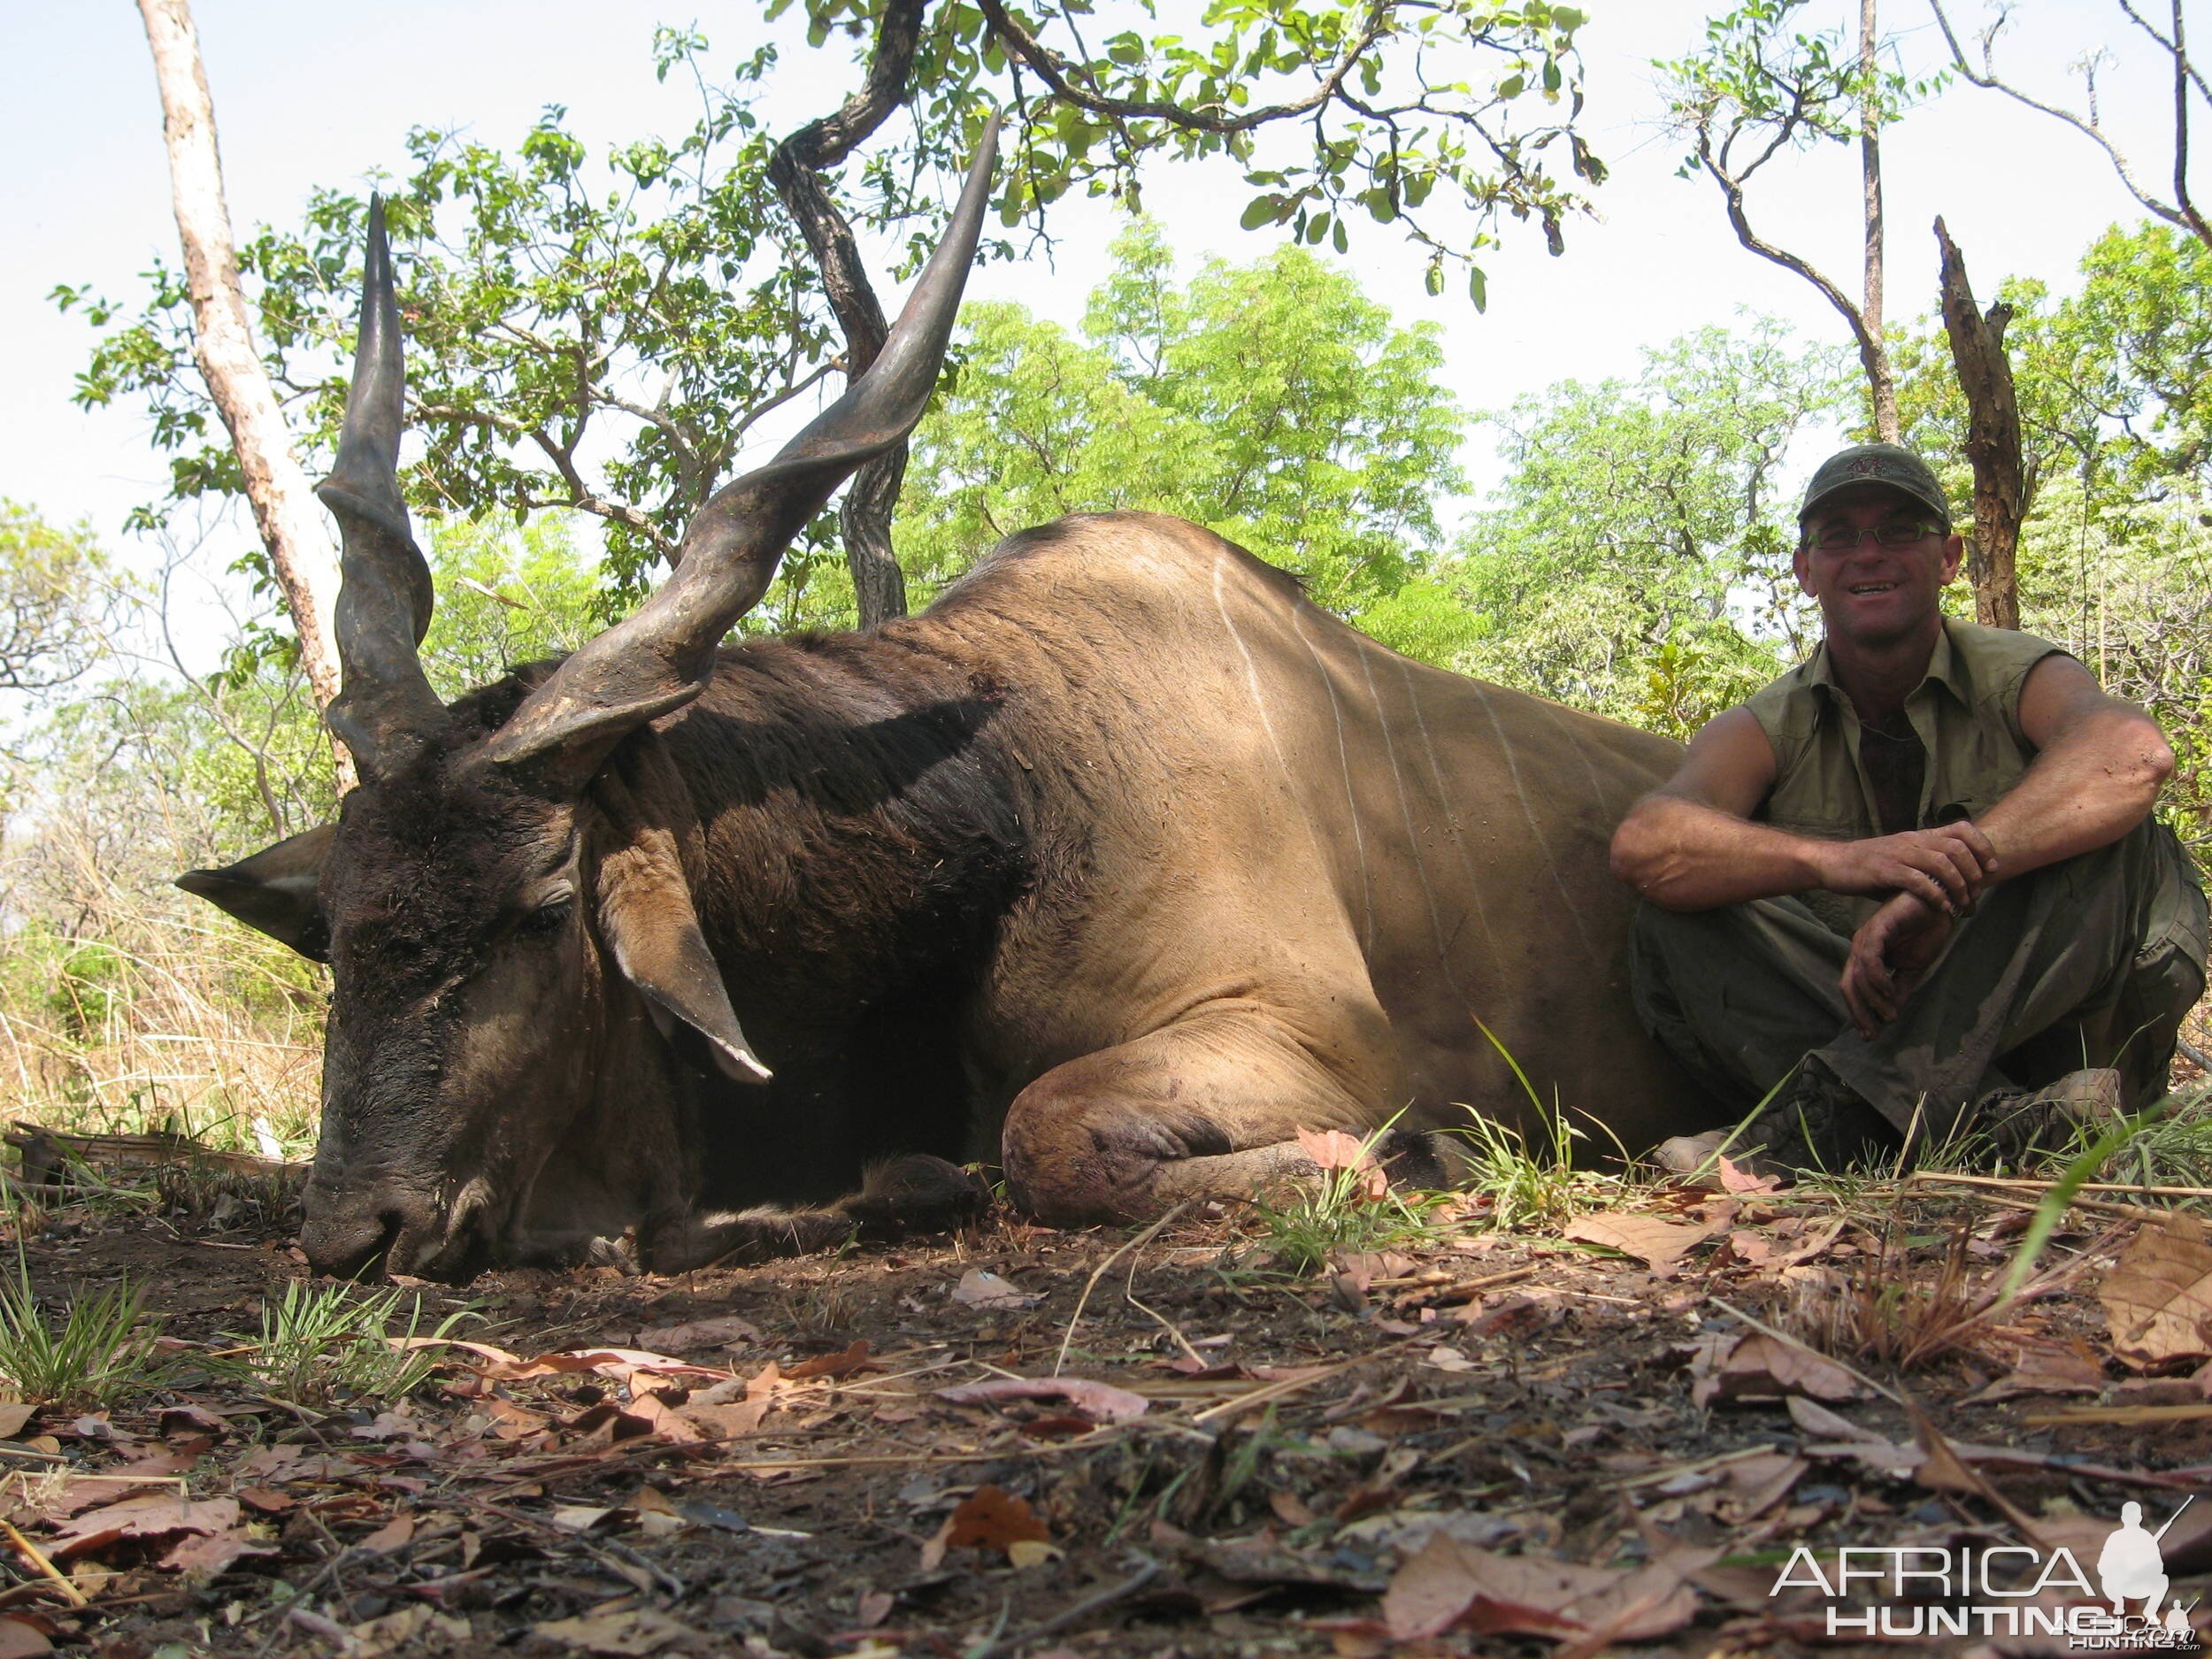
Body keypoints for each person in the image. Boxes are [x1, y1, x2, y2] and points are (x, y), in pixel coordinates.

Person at [1610, 442, 2207, 1171]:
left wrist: (1956, 877)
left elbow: (2134, 754)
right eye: (1838, 536)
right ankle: (1989, 1124)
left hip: (2065, 1038)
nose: (1869, 554)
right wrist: (1840, 862)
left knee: (2121, 836)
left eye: (1898, 530)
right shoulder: (1767, 723)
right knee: (1675, 910)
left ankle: (1837, 1127)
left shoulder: (2019, 671)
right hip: (1989, 1072)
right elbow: (1648, 842)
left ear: (1950, 557)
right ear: (1805, 571)